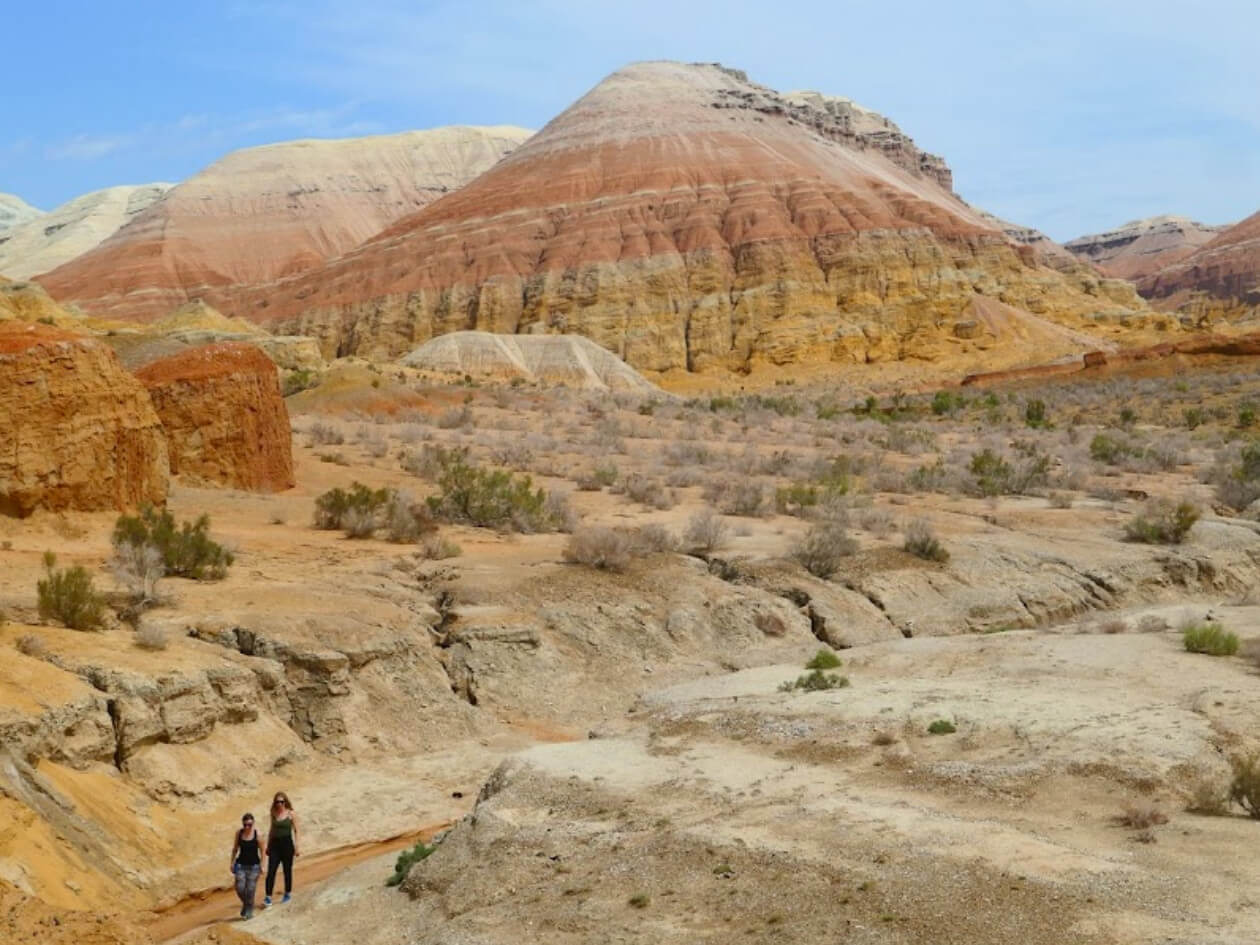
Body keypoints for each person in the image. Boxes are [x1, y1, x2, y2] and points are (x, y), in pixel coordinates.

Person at [263, 791, 299, 907]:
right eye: (277, 802)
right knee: (271, 871)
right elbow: (271, 830)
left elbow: (297, 830)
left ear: (285, 802)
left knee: (287, 870)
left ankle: (287, 893)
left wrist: (297, 846)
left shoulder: (291, 814)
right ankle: (268, 896)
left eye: (282, 802)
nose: (280, 804)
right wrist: (268, 845)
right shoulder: (273, 813)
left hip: (287, 844)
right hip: (275, 845)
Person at [230, 812, 264, 919]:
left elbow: (263, 850)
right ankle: (247, 904)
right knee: (239, 888)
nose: (247, 827)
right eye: (245, 825)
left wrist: (263, 865)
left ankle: (249, 909)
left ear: (253, 823)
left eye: (249, 825)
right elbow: (235, 848)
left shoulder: (257, 834)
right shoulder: (239, 833)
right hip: (241, 865)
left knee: (250, 889)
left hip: (254, 866)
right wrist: (232, 862)